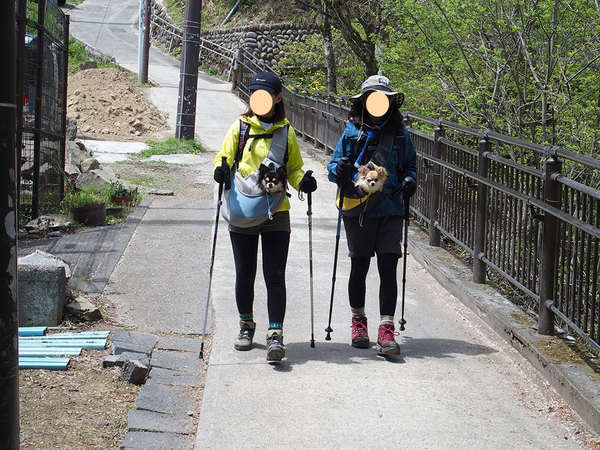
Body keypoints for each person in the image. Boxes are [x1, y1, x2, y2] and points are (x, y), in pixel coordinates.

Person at [213, 72, 317, 362]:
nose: (258, 100)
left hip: (276, 212)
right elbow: (223, 158)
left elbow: (294, 169)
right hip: (242, 210)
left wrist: (303, 182)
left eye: (264, 94)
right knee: (245, 274)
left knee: (274, 275)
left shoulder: (287, 131)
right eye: (254, 94)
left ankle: (275, 335)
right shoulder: (240, 128)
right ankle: (246, 326)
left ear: (278, 98)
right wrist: (220, 172)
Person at [327, 74, 417, 355]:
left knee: (388, 269)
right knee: (360, 266)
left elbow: (411, 167)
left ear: (390, 103)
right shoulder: (351, 133)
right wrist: (339, 172)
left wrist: (410, 181)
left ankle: (386, 330)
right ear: (364, 102)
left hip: (391, 210)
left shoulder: (401, 136)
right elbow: (333, 166)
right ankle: (359, 323)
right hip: (360, 211)